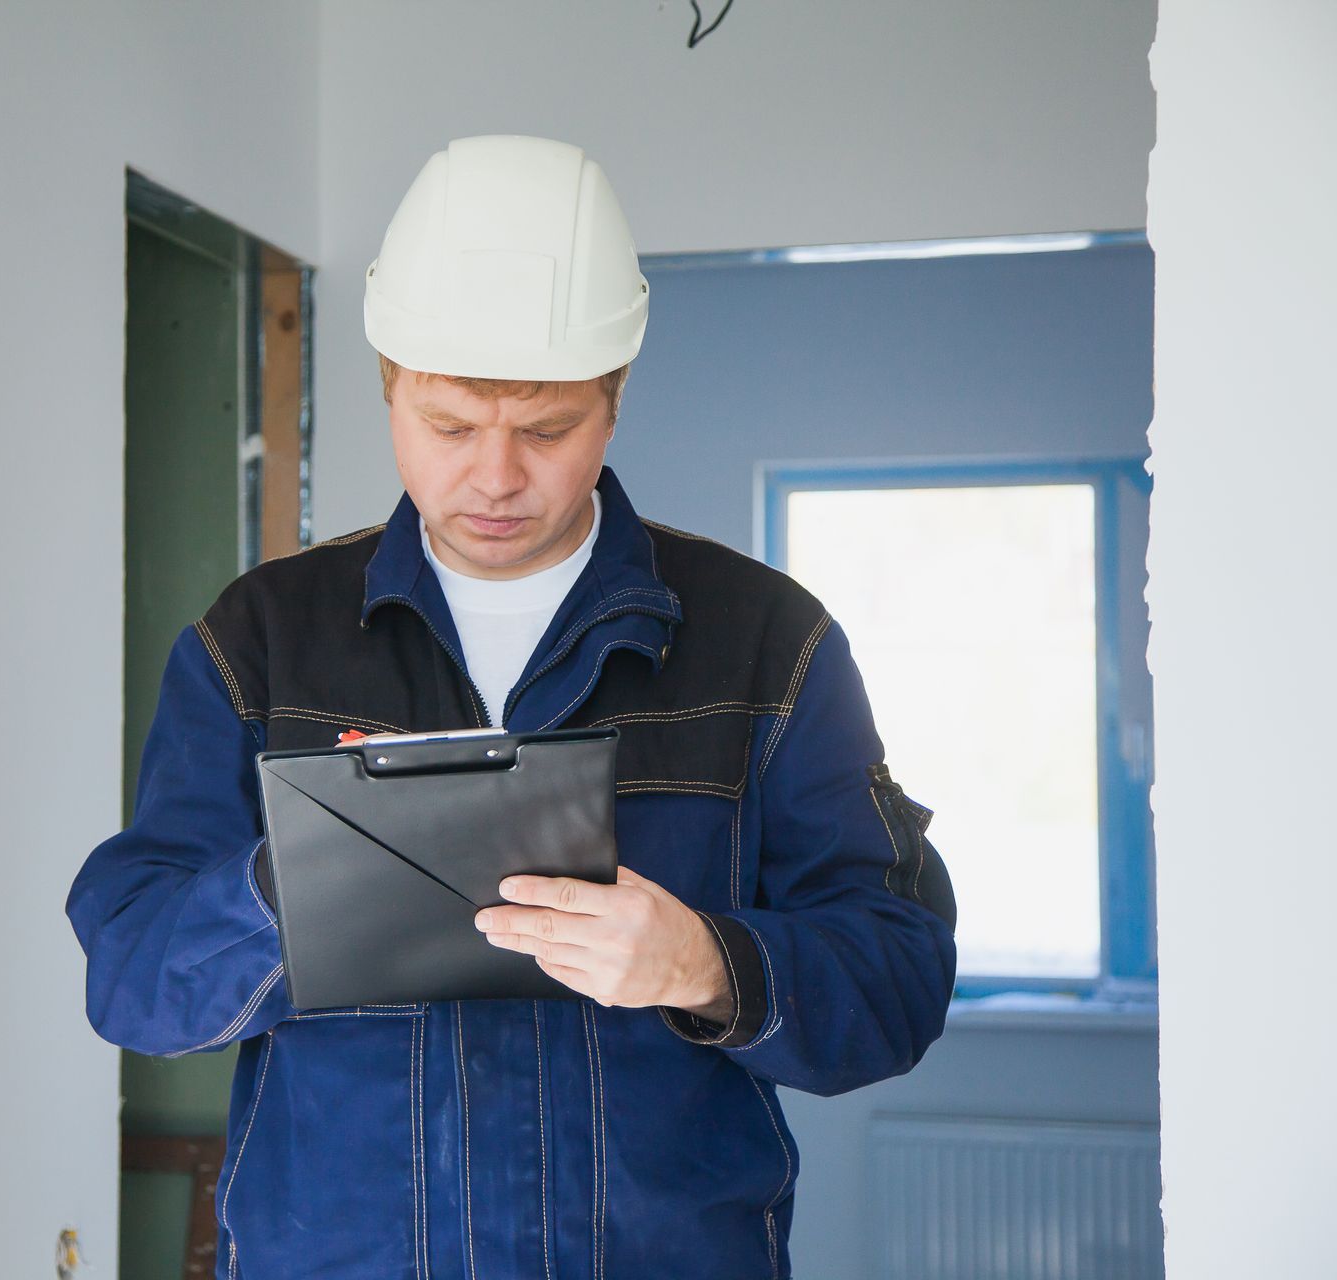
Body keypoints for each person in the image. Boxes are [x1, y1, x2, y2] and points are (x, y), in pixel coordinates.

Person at [66, 134, 958, 1280]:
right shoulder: (259, 640)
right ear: (391, 381)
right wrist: (295, 884)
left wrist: (706, 961)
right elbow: (132, 975)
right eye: (448, 426)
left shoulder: (766, 643)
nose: (494, 477)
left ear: (615, 399)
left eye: (546, 430)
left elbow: (899, 974)